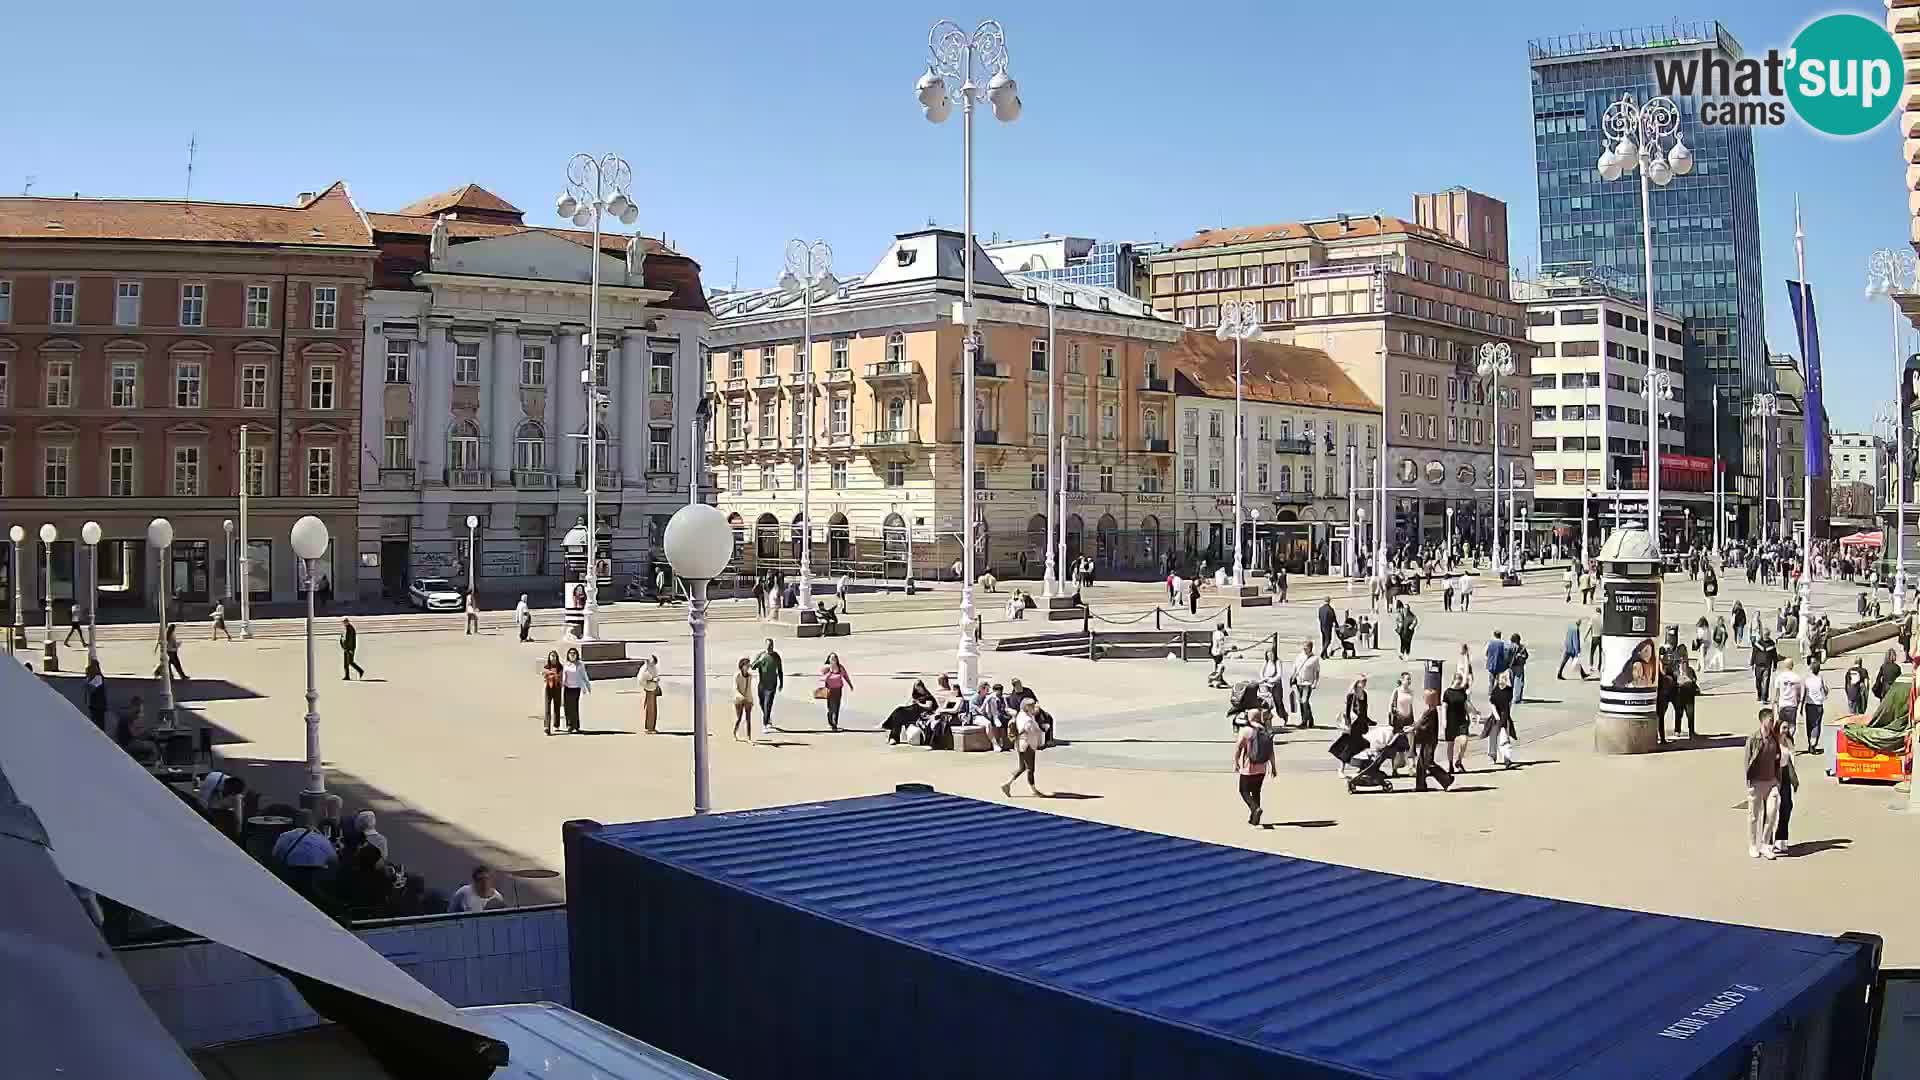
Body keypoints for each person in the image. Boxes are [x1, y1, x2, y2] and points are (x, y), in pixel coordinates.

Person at [1744, 709, 1782, 860]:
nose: (1773, 723)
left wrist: (1778, 779)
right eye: (1770, 720)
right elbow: (1747, 760)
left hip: (1771, 781)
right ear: (1763, 721)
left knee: (1772, 813)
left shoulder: (1774, 737)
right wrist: (1749, 782)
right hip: (1757, 782)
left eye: (1773, 720)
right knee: (1754, 816)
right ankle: (1753, 845)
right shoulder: (1754, 739)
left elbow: (1778, 758)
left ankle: (1765, 844)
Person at [1231, 706, 1275, 825]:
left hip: (1248, 767)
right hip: (1262, 767)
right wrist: (1273, 766)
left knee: (1243, 790)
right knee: (1256, 791)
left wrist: (1235, 762)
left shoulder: (1245, 731)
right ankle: (1254, 818)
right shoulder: (1266, 730)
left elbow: (1238, 748)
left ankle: (1254, 809)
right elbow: (1271, 750)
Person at [1001, 700, 1048, 798]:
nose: (1033, 707)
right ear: (1026, 707)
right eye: (1031, 706)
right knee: (1031, 768)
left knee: (1022, 767)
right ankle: (1034, 790)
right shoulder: (1026, 718)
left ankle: (1007, 784)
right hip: (1027, 745)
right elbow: (1029, 729)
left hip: (1022, 744)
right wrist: (1042, 729)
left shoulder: (1023, 715)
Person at [1410, 704, 1452, 792]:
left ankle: (1446, 779)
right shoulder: (1431, 710)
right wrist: (1414, 726)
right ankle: (1420, 785)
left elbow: (1424, 726)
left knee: (1428, 762)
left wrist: (1414, 727)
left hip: (1429, 740)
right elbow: (1422, 724)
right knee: (1421, 763)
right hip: (1427, 740)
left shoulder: (1431, 711)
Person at [1772, 725, 1800, 856]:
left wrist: (1794, 778)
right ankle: (1767, 841)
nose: (1786, 730)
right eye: (1783, 728)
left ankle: (1781, 838)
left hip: (1785, 775)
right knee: (1770, 810)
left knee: (1787, 806)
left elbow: (1790, 761)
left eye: (1787, 728)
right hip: (1773, 775)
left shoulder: (1789, 741)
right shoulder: (1772, 742)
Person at [196, 771, 248, 839]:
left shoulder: (235, 792)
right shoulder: (212, 780)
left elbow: (238, 816)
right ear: (227, 786)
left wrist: (239, 832)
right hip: (207, 802)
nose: (229, 795)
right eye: (230, 793)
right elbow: (202, 802)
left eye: (232, 794)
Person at [750, 638, 786, 732]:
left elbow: (780, 670)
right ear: (765, 646)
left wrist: (781, 683)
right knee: (762, 703)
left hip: (772, 684)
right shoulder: (761, 655)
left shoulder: (776, 656)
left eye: (771, 646)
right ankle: (768, 717)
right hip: (762, 684)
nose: (770, 647)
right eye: (768, 646)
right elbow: (753, 667)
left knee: (768, 704)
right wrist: (760, 661)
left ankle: (765, 724)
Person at [1386, 672, 1417, 776]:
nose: (1409, 681)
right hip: (1398, 721)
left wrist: (1413, 721)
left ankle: (1411, 767)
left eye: (1409, 679)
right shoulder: (1396, 691)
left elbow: (1411, 706)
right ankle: (1394, 769)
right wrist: (1391, 721)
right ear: (1402, 680)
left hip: (1408, 720)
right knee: (1397, 745)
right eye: (1407, 679)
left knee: (1411, 744)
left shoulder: (1411, 692)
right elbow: (1390, 706)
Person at [1487, 660, 1516, 768]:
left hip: (1504, 717)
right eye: (1502, 678)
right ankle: (1492, 755)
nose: (1503, 680)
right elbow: (1492, 703)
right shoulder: (1496, 690)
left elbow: (1509, 703)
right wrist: (1496, 715)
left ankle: (1507, 758)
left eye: (1505, 678)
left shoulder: (1508, 691)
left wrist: (1503, 717)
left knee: (1504, 738)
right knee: (1493, 736)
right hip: (1496, 716)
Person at [1443, 671, 1472, 772]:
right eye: (1458, 681)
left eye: (1461, 681)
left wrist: (1470, 715)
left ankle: (1459, 760)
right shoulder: (1447, 692)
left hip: (1462, 720)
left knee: (1464, 740)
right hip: (1451, 720)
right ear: (1454, 680)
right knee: (1450, 744)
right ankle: (1450, 765)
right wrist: (1444, 720)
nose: (1460, 683)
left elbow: (1465, 704)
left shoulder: (1462, 692)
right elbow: (1444, 707)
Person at [1670, 645, 1699, 740]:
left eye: (1685, 657)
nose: (1683, 660)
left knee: (1690, 713)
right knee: (1679, 712)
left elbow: (1694, 679)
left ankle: (1691, 731)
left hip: (1689, 692)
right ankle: (1677, 730)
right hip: (1679, 692)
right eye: (1681, 657)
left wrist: (1692, 680)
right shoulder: (1675, 670)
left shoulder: (1690, 670)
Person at [819, 653, 853, 732]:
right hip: (829, 690)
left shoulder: (840, 667)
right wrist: (829, 673)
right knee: (830, 708)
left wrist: (850, 685)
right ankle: (830, 720)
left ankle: (835, 724)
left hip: (838, 689)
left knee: (836, 707)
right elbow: (821, 678)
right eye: (832, 658)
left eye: (835, 658)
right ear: (829, 660)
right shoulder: (826, 668)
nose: (833, 660)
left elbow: (845, 676)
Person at [1771, 656, 1801, 744]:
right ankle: (1789, 738)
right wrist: (1799, 702)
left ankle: (1783, 740)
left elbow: (1776, 692)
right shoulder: (1796, 677)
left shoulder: (1779, 677)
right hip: (1792, 704)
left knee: (1782, 725)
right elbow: (1799, 693)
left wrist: (1774, 702)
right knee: (1792, 725)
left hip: (1782, 704)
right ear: (1792, 666)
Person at [560, 647, 591, 732]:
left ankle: (576, 725)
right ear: (568, 655)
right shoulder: (566, 664)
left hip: (576, 688)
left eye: (574, 653)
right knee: (567, 707)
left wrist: (588, 686)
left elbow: (584, 676)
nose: (572, 655)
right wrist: (561, 686)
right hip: (567, 688)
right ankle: (569, 725)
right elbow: (563, 676)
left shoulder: (580, 664)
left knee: (574, 707)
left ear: (577, 655)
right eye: (570, 653)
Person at [1291, 641, 1320, 729]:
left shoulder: (1314, 659)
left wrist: (1315, 682)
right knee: (1302, 702)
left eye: (1306, 647)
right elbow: (1295, 667)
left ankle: (1305, 721)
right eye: (1303, 647)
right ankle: (1308, 720)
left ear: (1310, 648)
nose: (1304, 649)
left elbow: (1317, 671)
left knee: (1304, 701)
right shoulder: (1300, 656)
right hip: (1299, 682)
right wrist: (1293, 677)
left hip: (1308, 683)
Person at [1801, 661, 1827, 755]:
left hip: (1809, 704)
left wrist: (1800, 707)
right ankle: (1813, 743)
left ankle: (1810, 743)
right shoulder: (1820, 679)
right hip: (1818, 704)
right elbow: (1826, 690)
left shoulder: (1807, 680)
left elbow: (1803, 694)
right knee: (1817, 724)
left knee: (1809, 725)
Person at [1750, 623, 1778, 703]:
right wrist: (1752, 663)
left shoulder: (1772, 644)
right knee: (1758, 681)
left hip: (1767, 666)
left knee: (1766, 682)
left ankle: (1764, 698)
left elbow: (1774, 655)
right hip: (1758, 665)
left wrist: (1775, 665)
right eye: (1765, 634)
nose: (1766, 636)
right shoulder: (1758, 643)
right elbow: (1754, 653)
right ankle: (1759, 695)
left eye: (1767, 634)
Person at [540, 651, 564, 735]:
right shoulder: (547, 666)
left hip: (557, 688)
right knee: (547, 708)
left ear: (557, 657)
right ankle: (547, 727)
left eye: (554, 656)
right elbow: (543, 675)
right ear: (549, 657)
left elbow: (561, 677)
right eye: (551, 656)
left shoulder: (560, 667)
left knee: (556, 707)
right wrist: (547, 674)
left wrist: (555, 676)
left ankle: (556, 724)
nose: (553, 658)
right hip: (548, 688)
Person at [84, 659, 110, 732]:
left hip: (98, 705)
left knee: (99, 724)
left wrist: (88, 680)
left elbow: (91, 688)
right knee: (95, 723)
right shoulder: (95, 677)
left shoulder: (98, 677)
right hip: (95, 705)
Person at [733, 657, 755, 740]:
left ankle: (749, 737)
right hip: (738, 700)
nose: (748, 666)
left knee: (748, 719)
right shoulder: (737, 676)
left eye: (749, 665)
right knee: (739, 718)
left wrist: (751, 700)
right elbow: (736, 689)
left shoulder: (750, 676)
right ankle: (735, 732)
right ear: (742, 666)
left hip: (747, 700)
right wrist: (741, 697)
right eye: (746, 665)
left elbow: (749, 689)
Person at [639, 654, 661, 735]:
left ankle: (651, 727)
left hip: (653, 689)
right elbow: (641, 680)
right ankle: (649, 728)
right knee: (650, 709)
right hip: (649, 689)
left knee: (653, 709)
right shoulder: (645, 669)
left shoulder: (652, 668)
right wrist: (652, 680)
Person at [1507, 633, 1530, 704]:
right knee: (1519, 682)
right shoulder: (1521, 647)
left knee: (1512, 682)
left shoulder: (1509, 647)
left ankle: (1511, 697)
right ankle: (1517, 698)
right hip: (1519, 666)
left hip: (1511, 666)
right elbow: (1526, 656)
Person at [1208, 622, 1231, 689]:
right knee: (1220, 667)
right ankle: (1215, 680)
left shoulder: (1215, 633)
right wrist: (1223, 652)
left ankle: (1220, 679)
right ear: (1222, 628)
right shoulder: (1221, 634)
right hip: (1218, 652)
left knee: (1217, 665)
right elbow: (1221, 644)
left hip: (1213, 651)